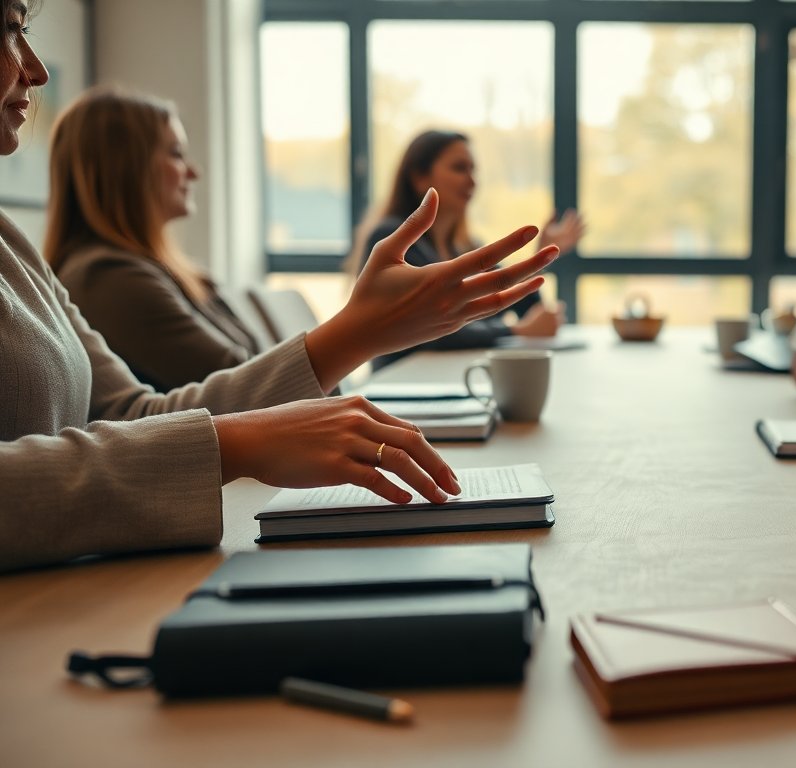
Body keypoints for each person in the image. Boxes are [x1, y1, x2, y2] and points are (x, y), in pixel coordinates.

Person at [0, 1, 559, 573]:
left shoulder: (14, 245)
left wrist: (354, 334)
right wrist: (237, 441)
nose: (36, 69)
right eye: (12, 29)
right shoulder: (109, 276)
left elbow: (135, 412)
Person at [43, 88, 263, 391]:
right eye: (176, 154)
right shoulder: (110, 279)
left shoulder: (158, 270)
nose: (193, 173)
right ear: (125, 167)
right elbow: (253, 385)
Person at [351, 130, 583, 370]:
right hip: (402, 383)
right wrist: (516, 330)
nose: (472, 181)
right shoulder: (393, 241)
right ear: (419, 178)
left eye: (474, 170)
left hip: (449, 376)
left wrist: (540, 255)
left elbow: (524, 306)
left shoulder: (464, 248)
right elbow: (433, 330)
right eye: (460, 168)